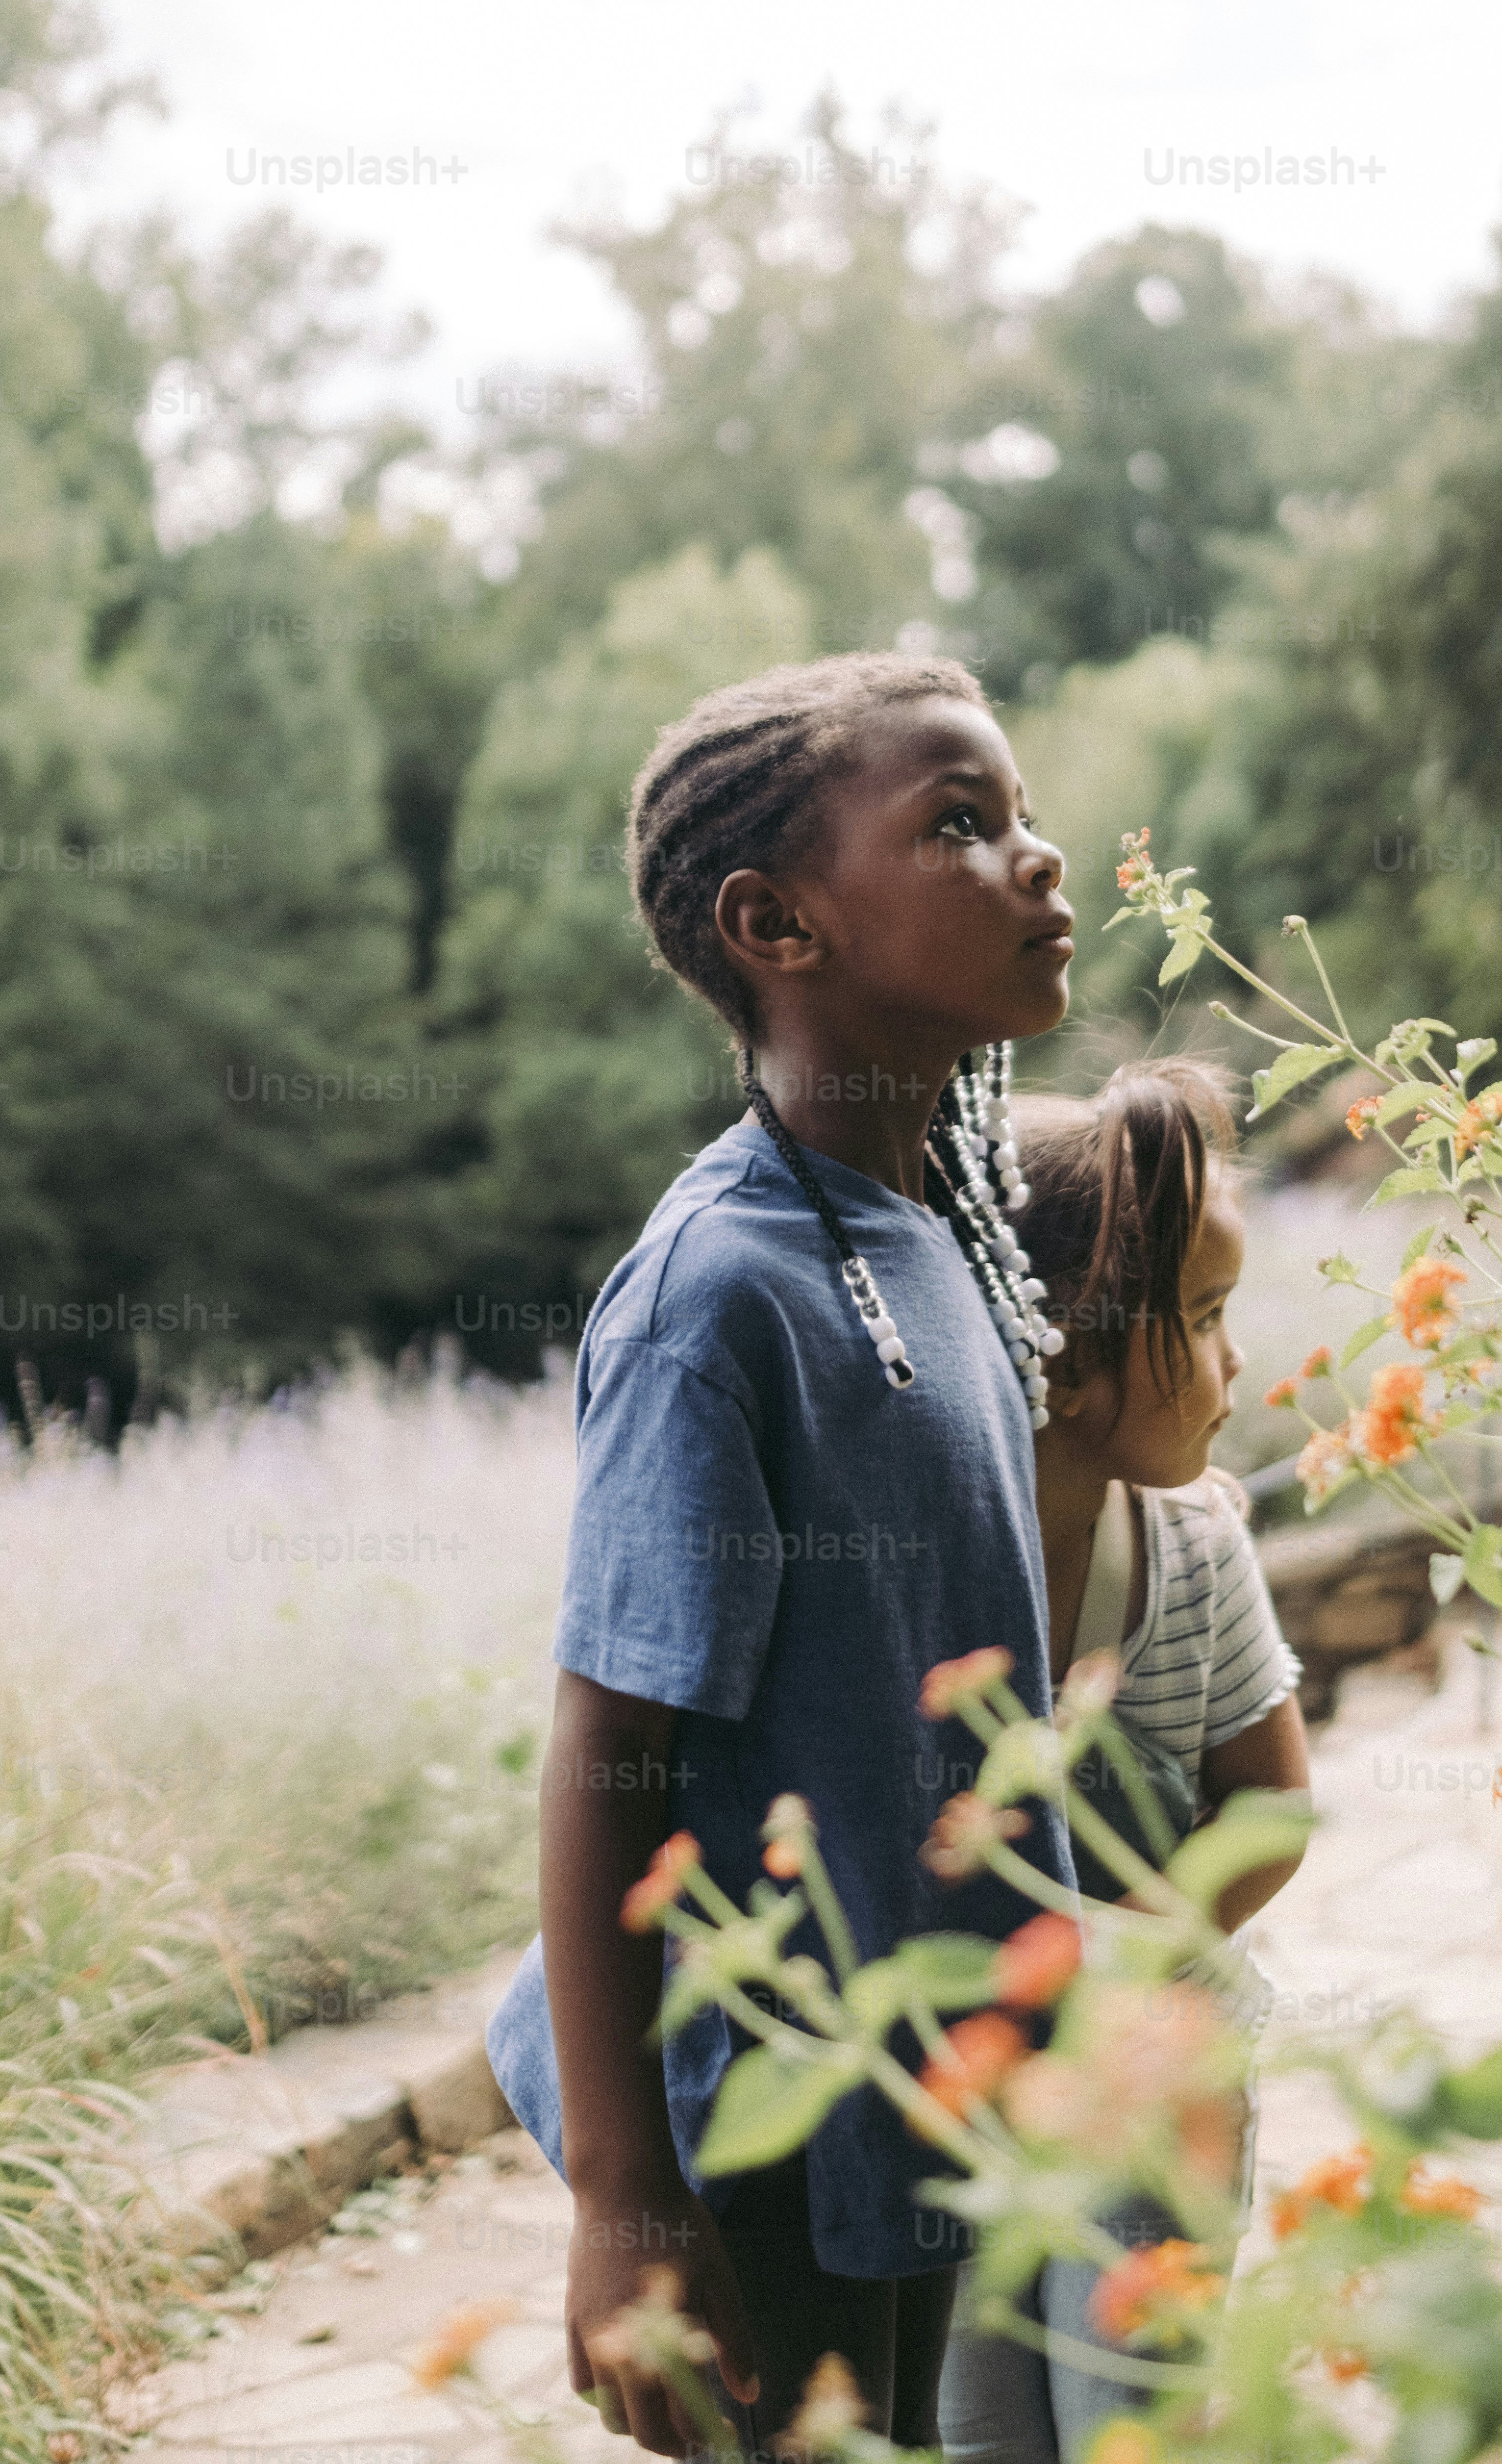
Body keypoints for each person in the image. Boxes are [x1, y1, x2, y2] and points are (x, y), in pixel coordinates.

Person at [485, 651, 1080, 2459]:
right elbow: (608, 1740)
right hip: (763, 2124)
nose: (1038, 856)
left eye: (1020, 812)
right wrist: (624, 2203)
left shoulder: (931, 1230)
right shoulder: (713, 1298)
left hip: (924, 2082)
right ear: (775, 925)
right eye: (959, 824)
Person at [938, 1058, 1312, 2464]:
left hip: (1158, 2085)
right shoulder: (913, 1566)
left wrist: (1114, 1968)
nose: (1234, 1367)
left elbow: (1272, 1809)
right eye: (1203, 1320)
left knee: (1134, 2425)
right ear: (1067, 1365)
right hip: (960, 2104)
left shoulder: (1192, 1545)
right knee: (972, 2425)